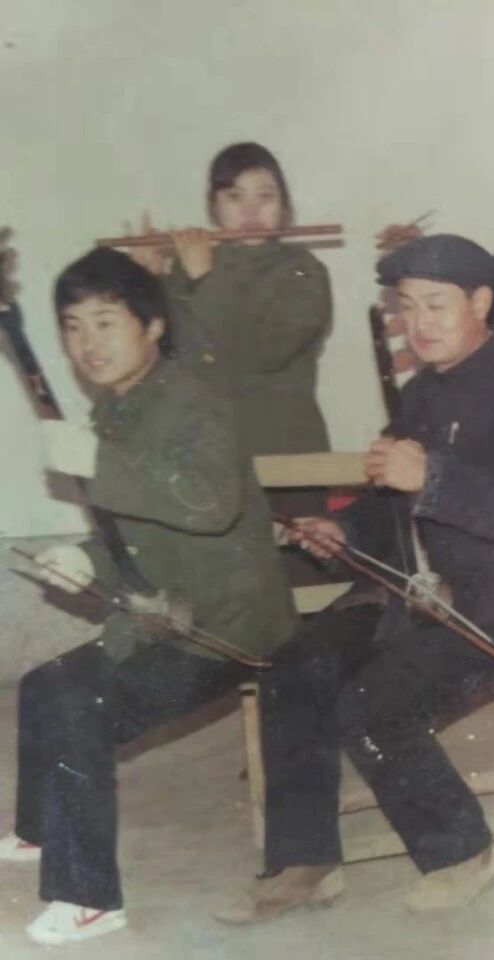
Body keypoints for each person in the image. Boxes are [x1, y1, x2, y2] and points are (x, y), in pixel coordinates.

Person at [218, 235, 494, 923]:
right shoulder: (420, 394)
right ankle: (306, 861)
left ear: (481, 302)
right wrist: (343, 533)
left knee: (372, 706)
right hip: (416, 593)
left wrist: (434, 477)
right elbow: (392, 510)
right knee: (295, 665)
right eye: (406, 307)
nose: (419, 323)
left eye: (435, 305)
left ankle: (462, 853)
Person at [0, 248, 296, 946]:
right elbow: (136, 532)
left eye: (106, 322)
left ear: (154, 325)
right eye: (73, 326)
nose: (88, 343)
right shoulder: (118, 405)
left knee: (78, 706)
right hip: (168, 614)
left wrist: (96, 462)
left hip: (228, 627)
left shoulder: (195, 402)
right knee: (44, 685)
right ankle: (41, 829)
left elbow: (209, 504)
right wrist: (86, 557)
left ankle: (89, 898)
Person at [129, 141, 333, 523]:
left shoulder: (304, 270)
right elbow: (163, 360)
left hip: (285, 455)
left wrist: (204, 279)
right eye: (235, 196)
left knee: (295, 557)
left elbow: (259, 352)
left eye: (265, 196)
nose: (251, 211)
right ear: (214, 206)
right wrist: (151, 279)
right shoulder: (191, 265)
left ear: (283, 205)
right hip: (207, 456)